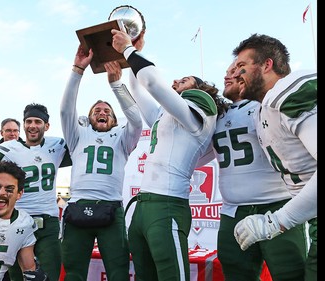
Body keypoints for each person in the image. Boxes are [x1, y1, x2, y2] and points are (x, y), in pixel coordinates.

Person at [111, 29, 224, 281]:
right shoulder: (166, 117)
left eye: (183, 80)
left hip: (167, 205)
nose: (175, 82)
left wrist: (129, 51)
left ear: (201, 88)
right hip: (142, 207)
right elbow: (139, 90)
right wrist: (133, 56)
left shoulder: (201, 106)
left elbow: (151, 82)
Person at [231, 34, 317, 281]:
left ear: (267, 65)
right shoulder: (263, 108)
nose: (236, 74)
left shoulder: (286, 91)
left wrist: (276, 221)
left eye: (242, 67)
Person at [211, 62, 307, 280]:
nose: (228, 76)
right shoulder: (217, 115)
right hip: (232, 211)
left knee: (290, 273)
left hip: (277, 204)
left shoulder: (265, 106)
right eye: (226, 72)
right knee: (236, 274)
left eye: (235, 70)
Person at [59, 44, 142, 281]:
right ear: (89, 116)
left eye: (106, 110)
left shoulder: (122, 138)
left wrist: (116, 84)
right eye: (96, 110)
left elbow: (136, 120)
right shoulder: (78, 136)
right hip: (77, 206)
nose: (101, 112)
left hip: (111, 208)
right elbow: (66, 110)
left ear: (114, 119)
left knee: (118, 273)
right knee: (74, 273)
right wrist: (77, 70)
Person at [0, 103, 72, 281]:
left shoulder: (57, 144)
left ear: (46, 125)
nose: (32, 125)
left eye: (37, 121)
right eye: (28, 121)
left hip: (48, 220)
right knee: (17, 277)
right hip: (19, 219)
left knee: (50, 275)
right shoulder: (9, 150)